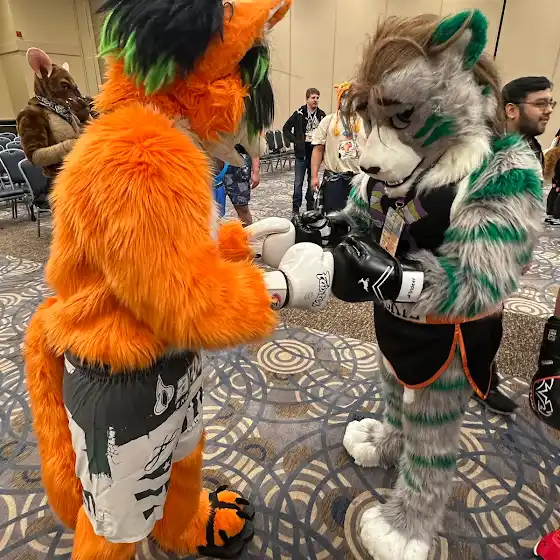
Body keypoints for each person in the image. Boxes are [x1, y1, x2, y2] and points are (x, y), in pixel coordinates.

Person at [22, 0, 337, 558]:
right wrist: (282, 288)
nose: (249, 124)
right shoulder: (137, 156)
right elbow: (182, 302)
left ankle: (180, 527)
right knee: (114, 523)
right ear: (203, 82)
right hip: (120, 373)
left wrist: (239, 244)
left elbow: (164, 257)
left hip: (166, 361)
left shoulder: (172, 146)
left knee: (182, 456)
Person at [291, 10, 542, 559]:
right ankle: (390, 439)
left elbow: (482, 279)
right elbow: (364, 217)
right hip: (394, 323)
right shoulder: (396, 169)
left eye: (402, 118)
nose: (372, 154)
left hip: (449, 334)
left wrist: (393, 279)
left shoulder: (501, 170)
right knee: (393, 387)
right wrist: (320, 228)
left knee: (433, 426)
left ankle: (414, 519)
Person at [471, 77, 555, 416]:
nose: (548, 110)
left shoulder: (532, 148)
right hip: (480, 253)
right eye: (540, 103)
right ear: (511, 109)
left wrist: (524, 250)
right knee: (484, 323)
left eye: (551, 103)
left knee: (489, 322)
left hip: (507, 256)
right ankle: (481, 383)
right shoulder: (487, 149)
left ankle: (481, 376)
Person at [17, 49, 91, 210]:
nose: (73, 94)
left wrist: (86, 118)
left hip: (84, 176)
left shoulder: (66, 109)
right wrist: (71, 145)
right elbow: (35, 156)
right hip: (61, 181)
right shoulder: (32, 113)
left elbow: (90, 137)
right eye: (65, 86)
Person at [311, 82, 367, 214]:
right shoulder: (328, 121)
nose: (348, 100)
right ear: (339, 99)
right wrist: (314, 176)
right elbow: (318, 149)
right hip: (335, 179)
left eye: (352, 97)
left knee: (359, 218)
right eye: (344, 96)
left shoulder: (366, 121)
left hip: (359, 179)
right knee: (333, 218)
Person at [283, 88, 326, 214]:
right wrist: (296, 141)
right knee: (298, 182)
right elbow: (286, 128)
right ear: (307, 99)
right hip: (302, 152)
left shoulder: (322, 115)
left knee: (312, 180)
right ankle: (296, 207)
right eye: (313, 98)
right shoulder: (299, 113)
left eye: (317, 98)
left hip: (315, 151)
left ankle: (310, 206)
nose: (315, 100)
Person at [220, 145, 261, 226]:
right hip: (209, 162)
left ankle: (247, 233)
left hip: (237, 163)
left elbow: (253, 142)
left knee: (242, 208)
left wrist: (256, 170)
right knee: (210, 210)